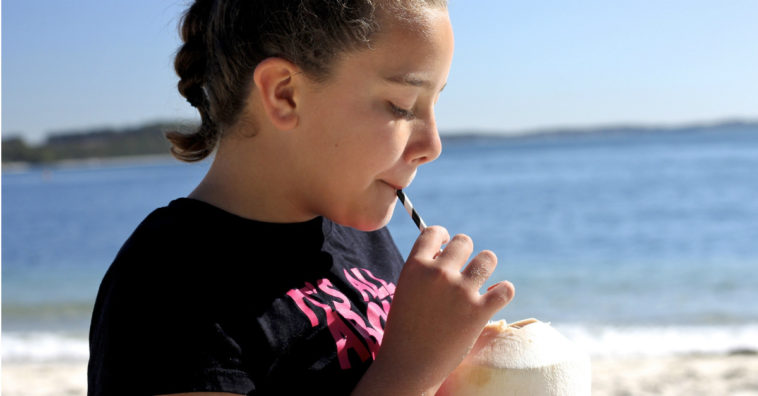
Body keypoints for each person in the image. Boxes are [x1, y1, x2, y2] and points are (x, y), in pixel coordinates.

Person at [87, 0, 515, 395]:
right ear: (284, 93)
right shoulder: (166, 283)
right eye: (402, 105)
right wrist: (416, 364)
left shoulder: (360, 234)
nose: (433, 143)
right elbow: (406, 373)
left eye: (435, 103)